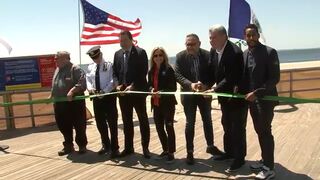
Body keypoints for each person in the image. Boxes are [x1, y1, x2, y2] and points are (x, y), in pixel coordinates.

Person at [175, 33, 223, 165]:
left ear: (199, 43)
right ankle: (190, 152)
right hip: (188, 94)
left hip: (204, 93)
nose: (189, 47)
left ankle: (211, 146)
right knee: (190, 123)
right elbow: (177, 75)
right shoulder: (180, 56)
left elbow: (214, 73)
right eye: (187, 44)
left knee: (207, 120)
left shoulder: (208, 55)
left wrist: (207, 85)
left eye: (192, 44)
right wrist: (191, 84)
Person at [207, 24, 247, 172]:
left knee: (238, 129)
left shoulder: (235, 52)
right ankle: (229, 153)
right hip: (224, 99)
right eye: (210, 38)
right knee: (226, 126)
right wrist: (205, 84)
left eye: (213, 37)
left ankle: (240, 159)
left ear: (224, 36)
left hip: (237, 98)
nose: (211, 40)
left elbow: (232, 77)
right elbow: (212, 72)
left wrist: (215, 89)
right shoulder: (213, 51)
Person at [243, 24, 280, 180]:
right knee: (259, 131)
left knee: (265, 132)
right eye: (248, 35)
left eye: (253, 35)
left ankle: (269, 168)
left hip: (265, 100)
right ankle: (265, 160)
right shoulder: (245, 54)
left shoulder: (270, 52)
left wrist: (256, 93)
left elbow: (274, 78)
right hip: (252, 101)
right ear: (245, 37)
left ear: (258, 35)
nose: (251, 38)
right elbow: (245, 77)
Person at [113, 30, 151, 159]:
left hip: (137, 92)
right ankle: (129, 148)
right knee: (126, 121)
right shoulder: (117, 54)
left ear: (130, 39)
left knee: (143, 120)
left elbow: (143, 72)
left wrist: (132, 86)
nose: (121, 43)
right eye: (120, 40)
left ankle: (145, 148)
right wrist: (117, 85)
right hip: (123, 94)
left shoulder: (140, 52)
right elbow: (115, 73)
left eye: (124, 40)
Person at [50, 51, 88, 156]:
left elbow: (82, 83)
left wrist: (72, 91)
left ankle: (82, 145)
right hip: (60, 104)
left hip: (74, 103)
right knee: (63, 124)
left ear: (65, 59)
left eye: (57, 58)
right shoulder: (57, 70)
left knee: (79, 125)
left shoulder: (75, 69)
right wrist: (52, 94)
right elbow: (55, 84)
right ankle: (68, 145)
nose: (55, 60)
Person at [86, 46, 120, 158]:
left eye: (96, 57)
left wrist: (104, 91)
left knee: (112, 124)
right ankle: (106, 144)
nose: (95, 59)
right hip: (96, 98)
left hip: (108, 97)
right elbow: (89, 79)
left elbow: (113, 81)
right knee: (100, 123)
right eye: (93, 58)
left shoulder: (109, 65)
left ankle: (115, 148)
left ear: (100, 54)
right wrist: (90, 89)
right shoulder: (90, 67)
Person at [147, 47, 177, 163]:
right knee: (159, 128)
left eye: (160, 55)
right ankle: (165, 149)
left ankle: (171, 152)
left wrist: (162, 93)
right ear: (152, 58)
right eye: (155, 55)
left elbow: (173, 88)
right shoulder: (151, 71)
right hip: (156, 104)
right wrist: (151, 89)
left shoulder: (169, 69)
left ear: (164, 56)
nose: (158, 57)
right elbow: (148, 85)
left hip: (167, 104)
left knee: (169, 127)